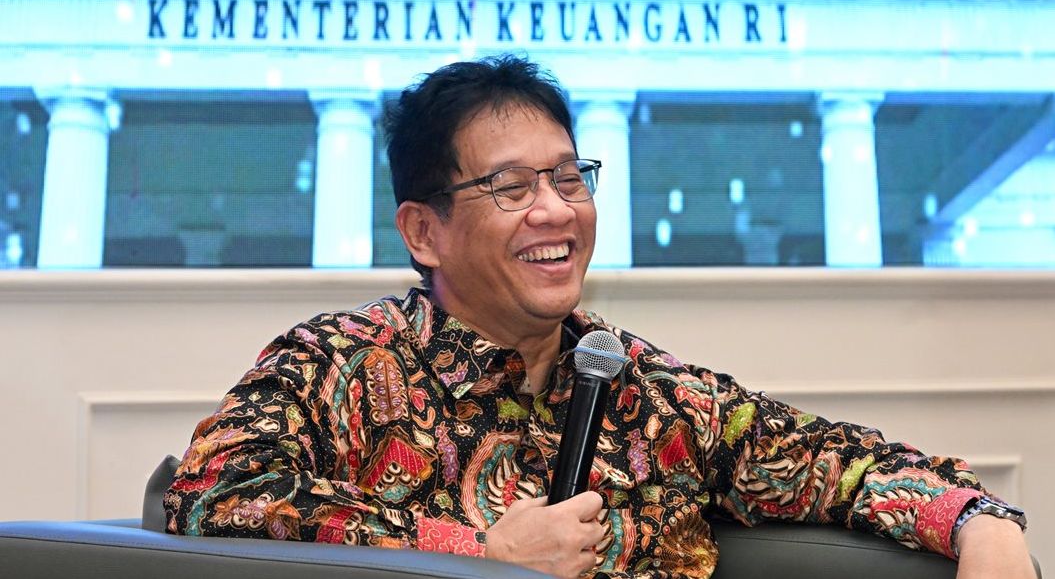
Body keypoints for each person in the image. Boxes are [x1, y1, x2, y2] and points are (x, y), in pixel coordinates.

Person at [164, 54, 1034, 579]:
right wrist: (474, 552)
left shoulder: (654, 394)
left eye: (567, 177)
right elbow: (213, 498)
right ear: (424, 230)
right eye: (511, 186)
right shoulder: (336, 364)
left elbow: (834, 461)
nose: (555, 209)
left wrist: (979, 521)